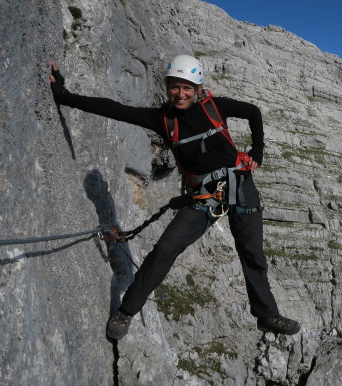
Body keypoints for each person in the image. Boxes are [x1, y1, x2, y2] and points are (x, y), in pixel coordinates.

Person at [49, 55, 300, 339]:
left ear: (197, 88)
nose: (180, 93)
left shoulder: (215, 107)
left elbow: (253, 111)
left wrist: (258, 151)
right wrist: (65, 96)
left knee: (252, 254)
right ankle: (126, 311)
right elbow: (116, 109)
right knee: (166, 248)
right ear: (168, 87)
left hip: (241, 184)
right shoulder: (163, 119)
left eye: (187, 88)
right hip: (206, 196)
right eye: (175, 87)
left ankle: (267, 315)